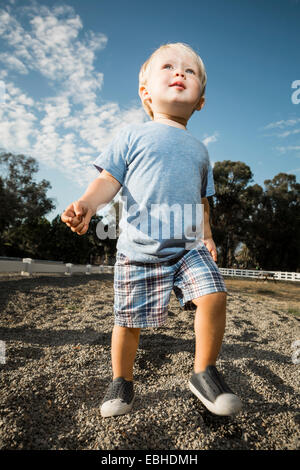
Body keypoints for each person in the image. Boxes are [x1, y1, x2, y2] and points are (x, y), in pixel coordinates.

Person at [61, 42, 242, 418]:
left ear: (201, 101)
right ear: (145, 92)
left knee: (214, 295)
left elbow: (202, 201)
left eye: (190, 72)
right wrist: (87, 205)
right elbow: (108, 181)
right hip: (139, 251)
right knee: (127, 323)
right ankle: (122, 381)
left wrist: (207, 236)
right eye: (169, 67)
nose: (180, 74)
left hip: (188, 247)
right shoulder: (132, 135)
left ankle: (204, 372)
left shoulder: (201, 151)